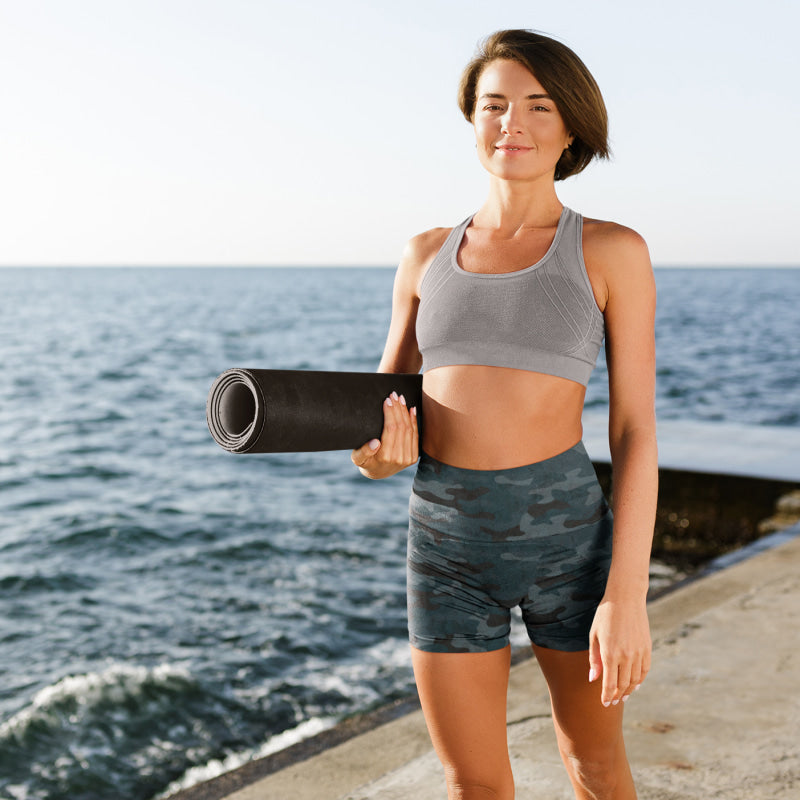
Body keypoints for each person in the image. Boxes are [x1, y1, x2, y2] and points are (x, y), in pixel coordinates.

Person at [351, 29, 657, 800]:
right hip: (445, 545)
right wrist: (376, 458)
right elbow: (378, 420)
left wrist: (626, 596)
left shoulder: (612, 251)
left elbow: (634, 431)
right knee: (474, 784)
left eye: (537, 106)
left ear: (572, 126)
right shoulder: (424, 255)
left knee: (594, 766)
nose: (511, 123)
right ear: (472, 118)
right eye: (493, 105)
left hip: (569, 544)